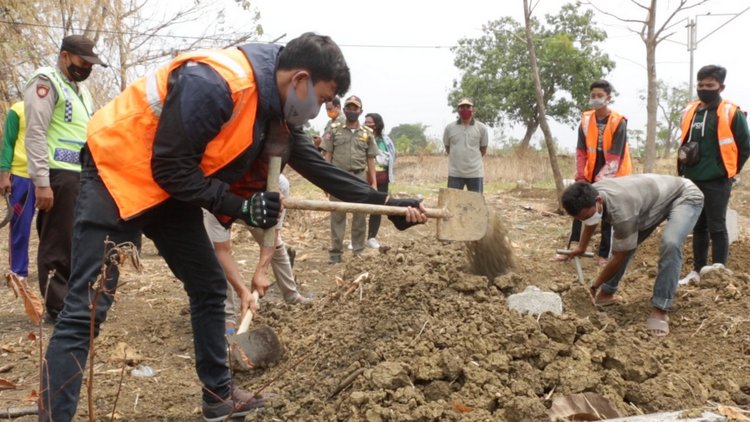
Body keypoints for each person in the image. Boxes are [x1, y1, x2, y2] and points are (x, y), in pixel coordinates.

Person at [40, 32, 426, 422]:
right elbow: (170, 167)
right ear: (301, 80)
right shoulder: (215, 84)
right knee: (85, 311)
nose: (319, 110)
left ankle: (218, 396)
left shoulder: (274, 101)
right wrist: (241, 207)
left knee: (208, 286)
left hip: (169, 187)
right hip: (117, 174)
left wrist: (387, 205)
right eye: (323, 99)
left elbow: (317, 167)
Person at [23, 35, 106, 320]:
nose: (87, 68)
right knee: (57, 241)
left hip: (80, 175)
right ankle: (57, 306)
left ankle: (73, 300)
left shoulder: (80, 91)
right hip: (58, 175)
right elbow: (35, 132)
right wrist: (41, 182)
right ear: (65, 56)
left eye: (90, 63)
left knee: (77, 240)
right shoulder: (45, 83)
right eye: (83, 62)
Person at [562, 175, 704, 337]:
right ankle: (607, 294)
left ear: (599, 200)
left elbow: (618, 256)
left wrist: (594, 287)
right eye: (581, 219)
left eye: (587, 216)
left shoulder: (622, 211)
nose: (586, 220)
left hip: (684, 194)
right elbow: (589, 219)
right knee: (625, 244)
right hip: (650, 202)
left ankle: (661, 307)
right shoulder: (591, 194)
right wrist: (581, 246)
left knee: (670, 243)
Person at [202, 174, 309, 335]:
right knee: (215, 256)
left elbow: (272, 235)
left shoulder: (278, 185)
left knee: (276, 246)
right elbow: (221, 250)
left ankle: (292, 296)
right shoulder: (213, 189)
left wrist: (262, 270)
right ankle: (227, 316)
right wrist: (243, 291)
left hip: (259, 208)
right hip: (221, 204)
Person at [677, 65, 750, 286]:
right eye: (701, 85)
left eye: (710, 85)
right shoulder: (692, 110)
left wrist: (729, 170)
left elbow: (745, 146)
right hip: (692, 178)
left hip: (718, 179)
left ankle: (718, 271)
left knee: (717, 226)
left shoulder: (731, 112)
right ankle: (697, 271)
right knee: (699, 226)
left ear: (721, 86)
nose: (704, 89)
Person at [552, 80, 632, 266]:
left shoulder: (618, 122)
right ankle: (572, 248)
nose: (595, 99)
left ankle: (604, 254)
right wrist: (580, 176)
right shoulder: (586, 120)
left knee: (605, 213)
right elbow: (581, 151)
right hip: (591, 170)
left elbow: (614, 157)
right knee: (578, 208)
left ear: (608, 98)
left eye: (600, 96)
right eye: (593, 95)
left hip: (614, 174)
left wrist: (598, 184)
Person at [321, 95, 379, 264]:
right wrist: (325, 181)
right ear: (344, 110)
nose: (352, 111)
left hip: (359, 177)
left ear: (360, 111)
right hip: (338, 177)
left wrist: (373, 183)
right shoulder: (334, 129)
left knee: (360, 215)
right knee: (337, 215)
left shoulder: (367, 134)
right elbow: (327, 156)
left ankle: (358, 251)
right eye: (349, 108)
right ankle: (336, 253)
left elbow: (370, 160)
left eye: (355, 108)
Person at [1, 101, 35, 281]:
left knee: (54, 228)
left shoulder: (57, 108)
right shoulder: (18, 109)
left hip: (52, 174)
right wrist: (4, 174)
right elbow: (7, 143)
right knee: (20, 225)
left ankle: (55, 269)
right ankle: (18, 271)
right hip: (22, 176)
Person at [443, 97, 488, 193]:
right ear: (457, 110)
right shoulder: (449, 128)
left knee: (476, 204)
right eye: (462, 107)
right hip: (455, 173)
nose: (465, 109)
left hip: (475, 174)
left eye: (468, 107)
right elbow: (448, 148)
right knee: (453, 204)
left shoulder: (481, 128)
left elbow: (483, 149)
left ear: (473, 109)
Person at [364, 112, 396, 249]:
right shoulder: (362, 138)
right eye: (365, 121)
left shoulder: (386, 140)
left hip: (382, 178)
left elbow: (394, 155)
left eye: (370, 122)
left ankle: (372, 237)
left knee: (377, 208)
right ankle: (356, 238)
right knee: (361, 207)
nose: (367, 124)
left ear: (377, 124)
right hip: (365, 177)